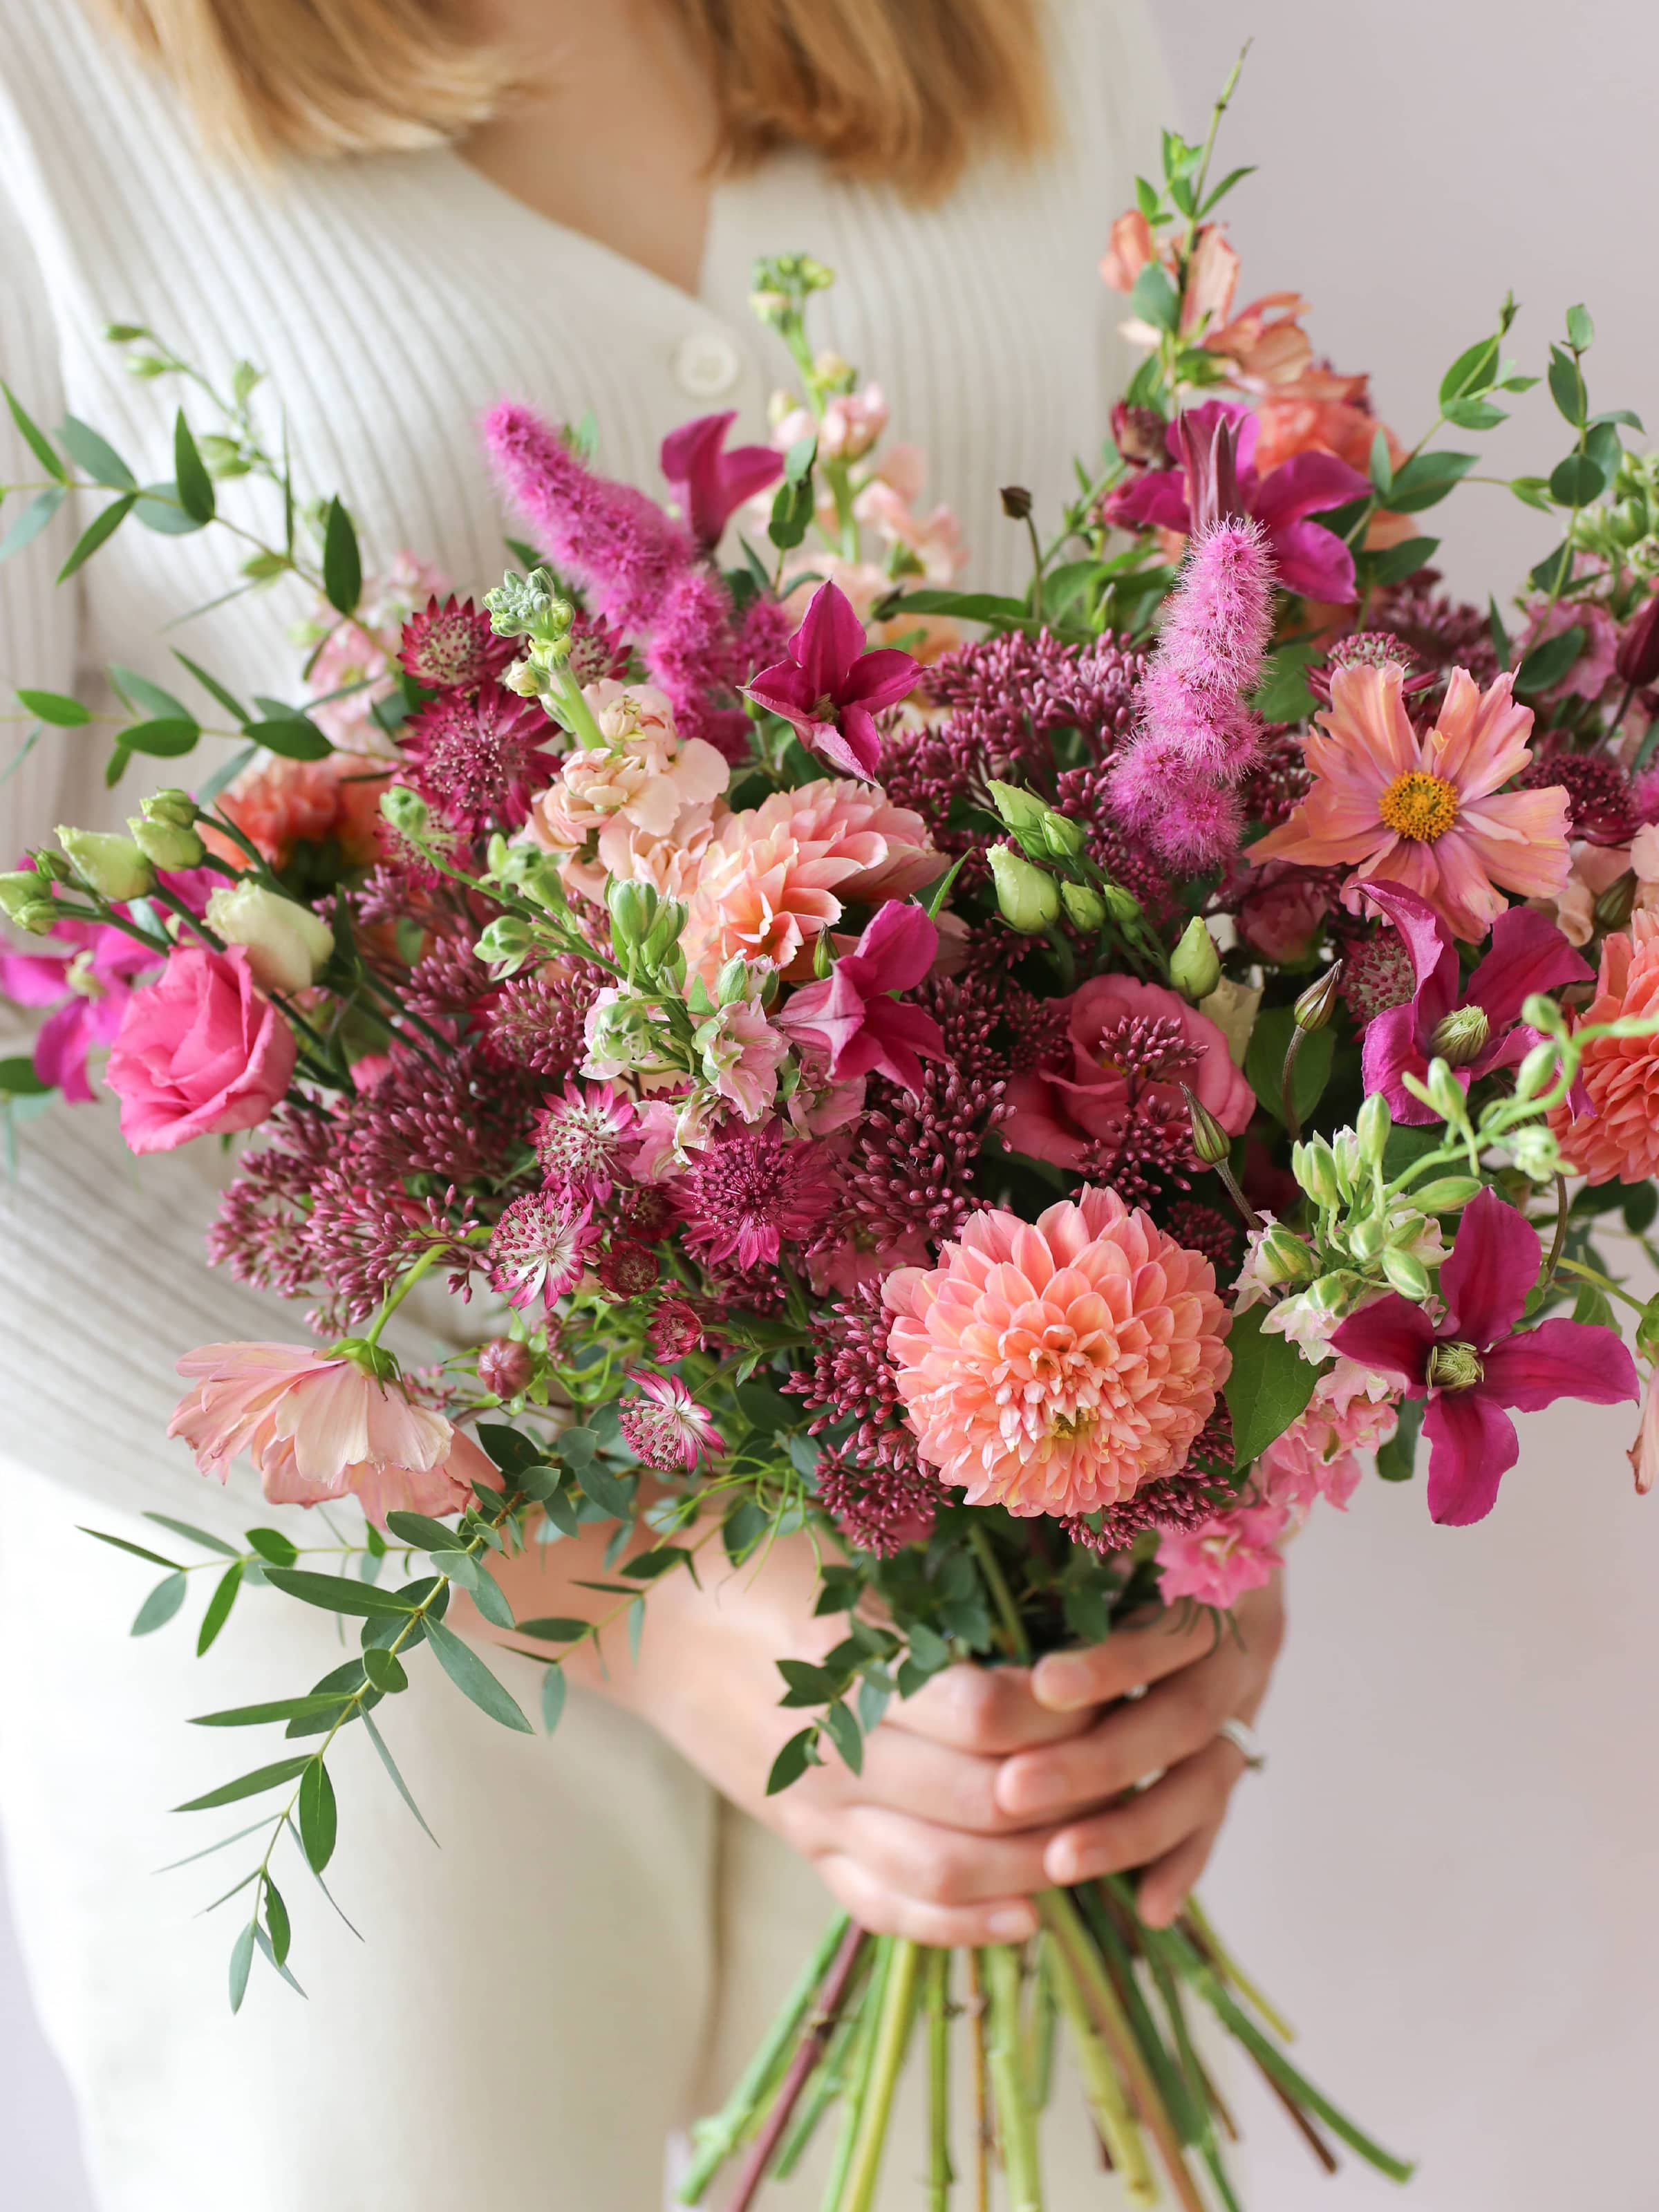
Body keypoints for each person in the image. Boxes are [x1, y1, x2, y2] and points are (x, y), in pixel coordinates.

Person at [0, 2, 1285, 2203]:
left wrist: (1211, 1487)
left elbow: (1213, 710)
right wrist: (645, 1591)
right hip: (347, 1603)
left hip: (987, 1577)